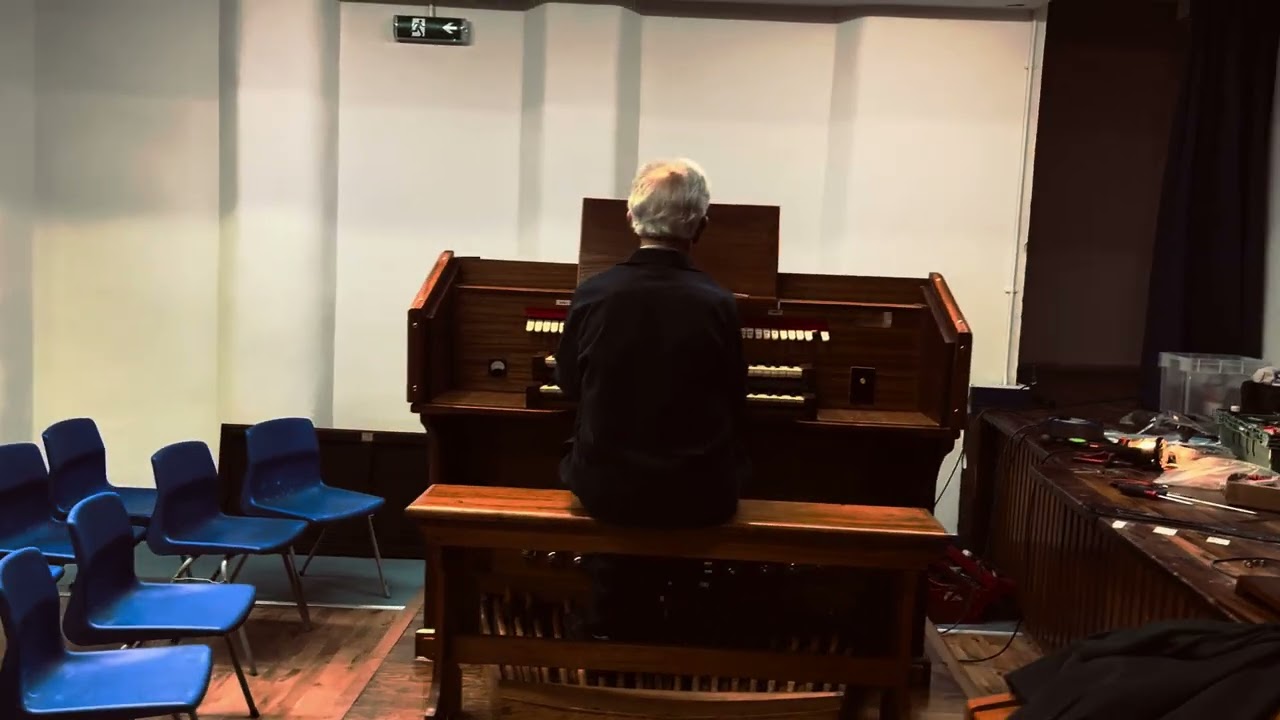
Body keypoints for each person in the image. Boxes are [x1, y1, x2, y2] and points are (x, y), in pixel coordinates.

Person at [554, 158, 749, 640]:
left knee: (592, 466)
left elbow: (569, 385)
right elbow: (734, 396)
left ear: (630, 218)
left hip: (608, 489)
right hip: (699, 493)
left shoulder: (594, 294)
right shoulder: (718, 303)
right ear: (701, 226)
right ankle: (685, 619)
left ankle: (607, 617)